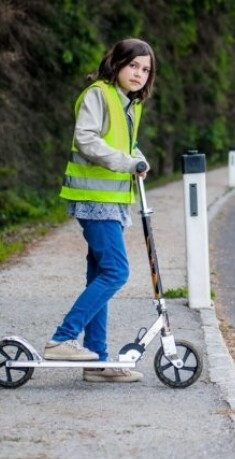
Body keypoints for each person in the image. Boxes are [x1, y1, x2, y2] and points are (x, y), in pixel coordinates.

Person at [44, 38, 156, 383]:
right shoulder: (99, 93)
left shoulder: (130, 104)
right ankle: (63, 338)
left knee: (100, 274)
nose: (139, 74)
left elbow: (124, 142)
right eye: (133, 66)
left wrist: (138, 157)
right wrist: (127, 161)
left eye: (146, 69)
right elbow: (88, 140)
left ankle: (96, 359)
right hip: (94, 199)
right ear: (118, 63)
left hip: (113, 202)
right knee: (116, 272)